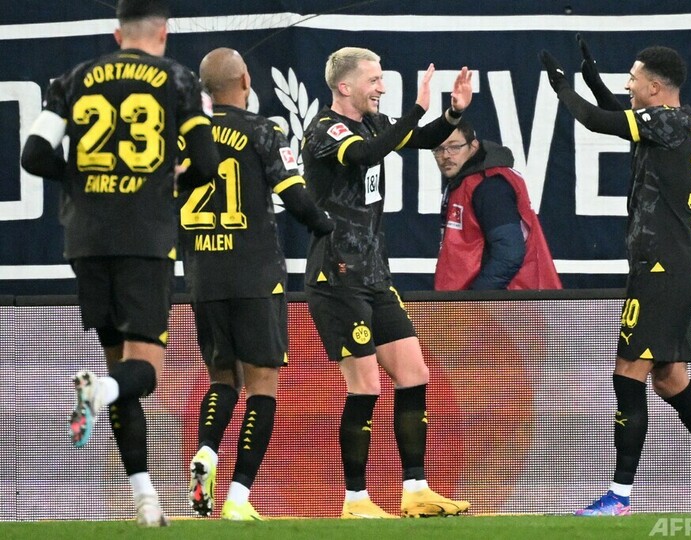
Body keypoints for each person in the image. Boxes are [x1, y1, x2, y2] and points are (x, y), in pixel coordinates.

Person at [540, 37, 691, 515]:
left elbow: (596, 121)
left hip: (661, 267)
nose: (628, 85)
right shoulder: (675, 121)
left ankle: (618, 497)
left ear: (655, 88)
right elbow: (617, 115)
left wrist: (561, 88)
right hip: (675, 265)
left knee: (628, 374)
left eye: (633, 79)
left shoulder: (665, 121)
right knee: (670, 378)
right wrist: (592, 81)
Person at [20, 0, 219, 527]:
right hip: (143, 237)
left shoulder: (72, 79)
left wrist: (82, 179)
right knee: (141, 372)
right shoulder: (179, 80)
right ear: (164, 32)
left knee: (119, 367)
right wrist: (168, 181)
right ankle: (100, 393)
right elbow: (206, 163)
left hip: (86, 239)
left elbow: (33, 155)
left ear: (117, 33)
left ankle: (144, 497)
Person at [301, 47, 472, 519]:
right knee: (365, 386)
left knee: (415, 374)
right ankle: (355, 499)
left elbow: (420, 137)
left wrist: (452, 113)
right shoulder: (325, 130)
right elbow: (366, 154)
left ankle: (416, 490)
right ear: (345, 87)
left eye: (381, 79)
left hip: (375, 275)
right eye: (373, 80)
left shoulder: (374, 122)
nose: (381, 87)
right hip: (336, 276)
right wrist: (416, 107)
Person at [180, 47, 334, 521]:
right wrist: (327, 227)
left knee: (222, 379)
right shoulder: (262, 131)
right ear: (245, 80)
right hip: (254, 274)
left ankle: (207, 450)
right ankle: (238, 497)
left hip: (203, 276)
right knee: (262, 387)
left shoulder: (184, 136)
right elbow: (296, 198)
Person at [432, 118, 562, 290]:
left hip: (508, 301)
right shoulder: (467, 182)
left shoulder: (490, 186)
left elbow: (509, 254)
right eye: (438, 149)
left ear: (473, 146)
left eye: (454, 147)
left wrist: (474, 299)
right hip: (492, 300)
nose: (446, 155)